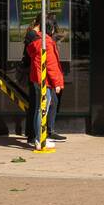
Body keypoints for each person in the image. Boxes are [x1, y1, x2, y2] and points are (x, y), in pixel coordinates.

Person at [27, 19, 65, 149]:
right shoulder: (47, 43)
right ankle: (39, 139)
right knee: (42, 109)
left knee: (39, 108)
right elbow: (52, 66)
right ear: (52, 29)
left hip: (37, 79)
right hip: (45, 81)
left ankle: (39, 137)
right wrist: (58, 84)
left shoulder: (37, 42)